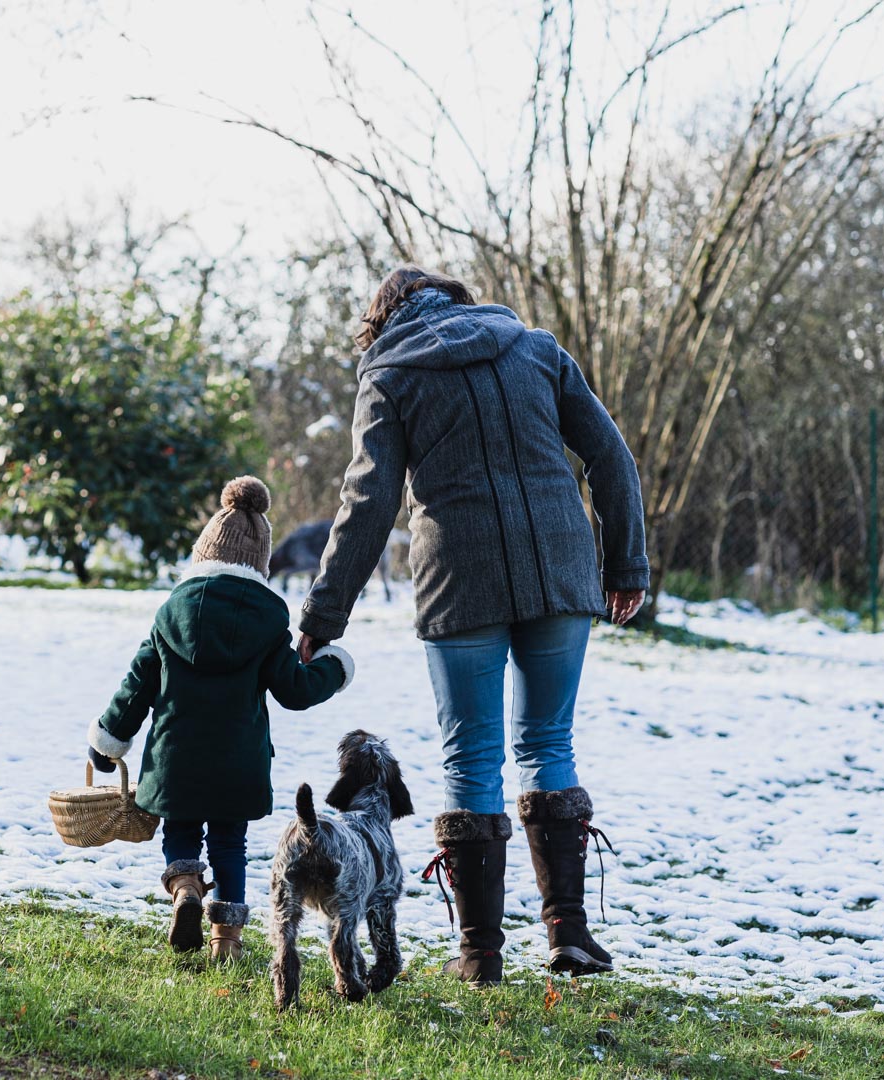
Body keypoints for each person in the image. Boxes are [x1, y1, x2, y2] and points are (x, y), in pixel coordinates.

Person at [295, 267, 648, 986]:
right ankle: (569, 937)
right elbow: (610, 454)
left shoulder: (390, 375)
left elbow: (368, 502)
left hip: (460, 577)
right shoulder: (534, 347)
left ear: (380, 321)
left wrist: (321, 617)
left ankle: (481, 956)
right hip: (560, 564)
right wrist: (626, 566)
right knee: (549, 742)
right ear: (458, 300)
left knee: (470, 758)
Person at [88, 476, 355, 962]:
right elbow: (295, 691)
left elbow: (136, 686)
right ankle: (225, 942)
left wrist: (108, 742)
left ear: (204, 552)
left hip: (176, 758)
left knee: (181, 831)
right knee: (230, 844)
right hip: (238, 763)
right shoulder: (269, 622)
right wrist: (334, 667)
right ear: (259, 564)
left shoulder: (171, 613)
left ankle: (186, 884)